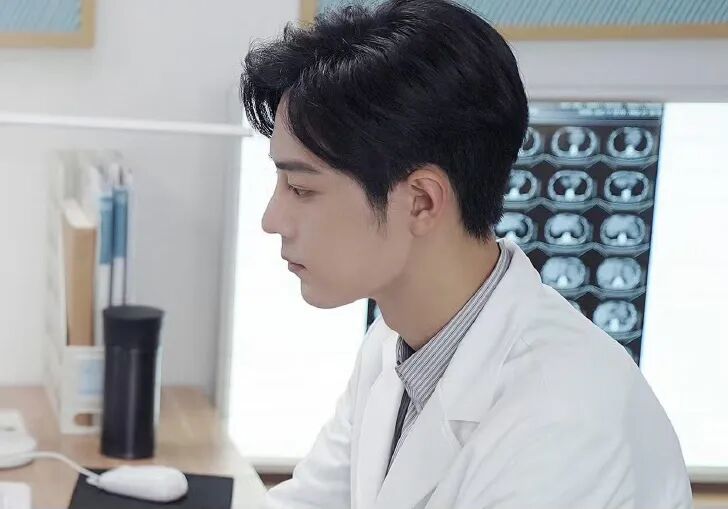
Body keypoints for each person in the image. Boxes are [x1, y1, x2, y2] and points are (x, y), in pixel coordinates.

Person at [240, 1, 692, 507]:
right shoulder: (394, 343)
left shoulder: (565, 425)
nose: (271, 220)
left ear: (422, 201)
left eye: (301, 189)